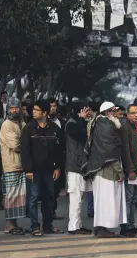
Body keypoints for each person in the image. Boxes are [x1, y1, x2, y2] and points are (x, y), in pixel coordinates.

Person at [21, 100, 64, 236]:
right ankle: (35, 226)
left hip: (49, 170)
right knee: (33, 198)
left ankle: (47, 225)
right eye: (33, 109)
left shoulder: (55, 129)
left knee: (49, 197)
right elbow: (25, 151)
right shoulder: (28, 128)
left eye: (36, 110)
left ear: (44, 113)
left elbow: (59, 151)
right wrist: (27, 170)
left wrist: (57, 167)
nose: (33, 112)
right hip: (33, 170)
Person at [83, 102, 127, 238]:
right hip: (106, 171)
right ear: (106, 112)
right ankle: (101, 229)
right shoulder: (106, 126)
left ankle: (100, 228)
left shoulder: (99, 123)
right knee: (106, 201)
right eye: (113, 111)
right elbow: (110, 151)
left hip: (100, 169)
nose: (116, 113)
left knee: (102, 201)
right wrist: (119, 171)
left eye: (116, 111)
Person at [0, 97, 27, 235]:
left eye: (16, 107)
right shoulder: (7, 125)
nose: (14, 110)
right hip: (11, 166)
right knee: (11, 196)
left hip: (20, 165)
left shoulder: (21, 122)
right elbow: (16, 145)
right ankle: (9, 225)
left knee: (18, 197)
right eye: (12, 108)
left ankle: (14, 224)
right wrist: (27, 145)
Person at [65, 103, 92, 235]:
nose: (88, 113)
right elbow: (81, 135)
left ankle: (78, 224)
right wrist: (82, 119)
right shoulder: (71, 125)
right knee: (75, 197)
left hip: (80, 166)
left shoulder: (79, 123)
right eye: (86, 111)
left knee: (80, 197)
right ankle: (73, 226)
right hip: (74, 166)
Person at [119, 104, 137, 238]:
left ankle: (131, 225)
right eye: (133, 113)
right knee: (128, 200)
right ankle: (126, 228)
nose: (136, 115)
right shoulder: (125, 128)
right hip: (132, 171)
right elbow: (125, 151)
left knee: (134, 199)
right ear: (127, 115)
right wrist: (130, 169)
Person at [48, 98, 66, 220]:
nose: (52, 108)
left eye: (54, 106)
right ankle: (47, 213)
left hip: (60, 160)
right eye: (50, 106)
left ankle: (52, 211)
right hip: (46, 159)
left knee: (56, 188)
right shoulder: (43, 122)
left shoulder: (62, 123)